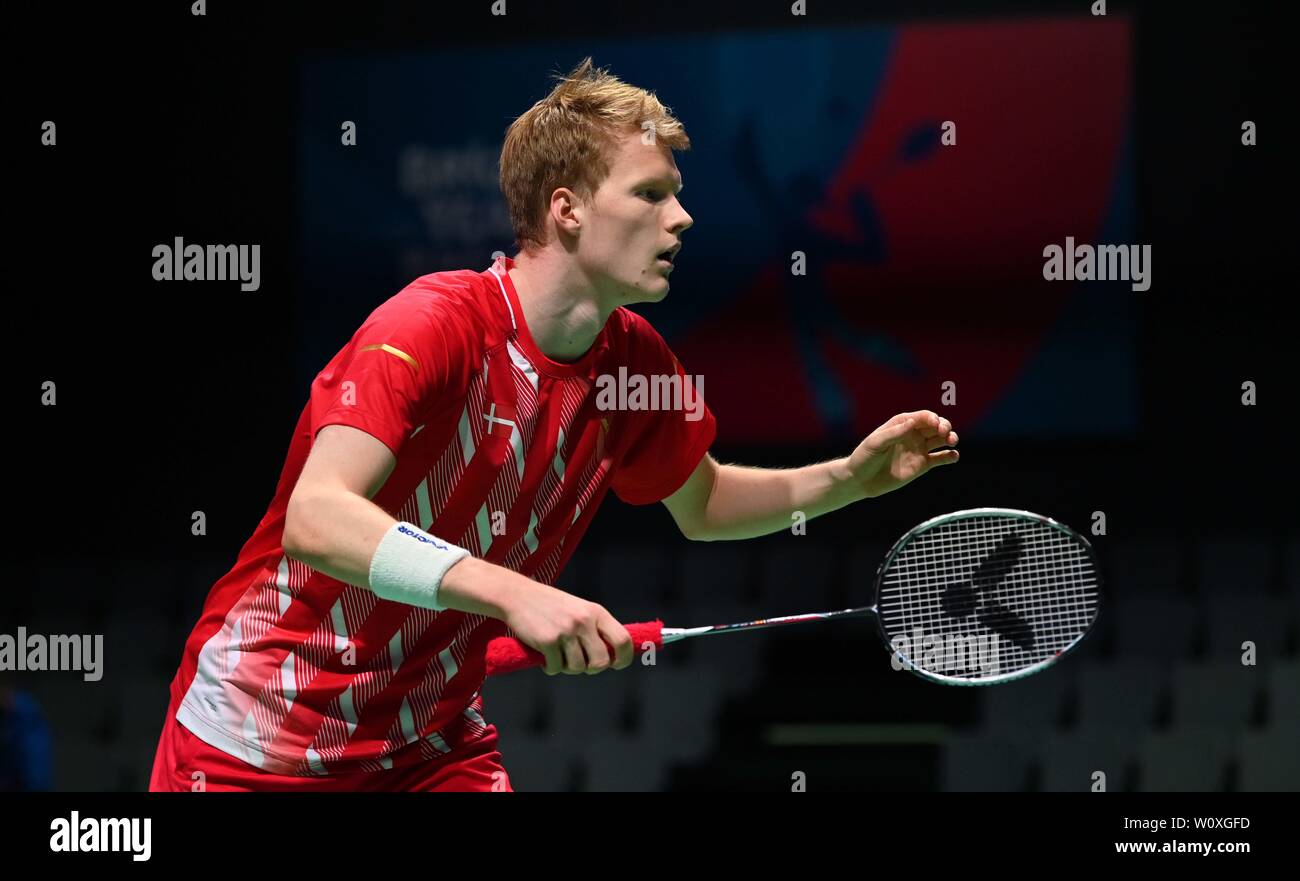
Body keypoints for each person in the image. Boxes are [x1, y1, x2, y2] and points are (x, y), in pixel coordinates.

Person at [149, 57, 959, 792]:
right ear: (566, 209)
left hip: (426, 748)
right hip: (257, 740)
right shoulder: (438, 323)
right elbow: (318, 518)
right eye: (650, 193)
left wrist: (849, 478)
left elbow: (705, 504)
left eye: (677, 194)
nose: (682, 219)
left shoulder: (632, 363)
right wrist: (514, 595)